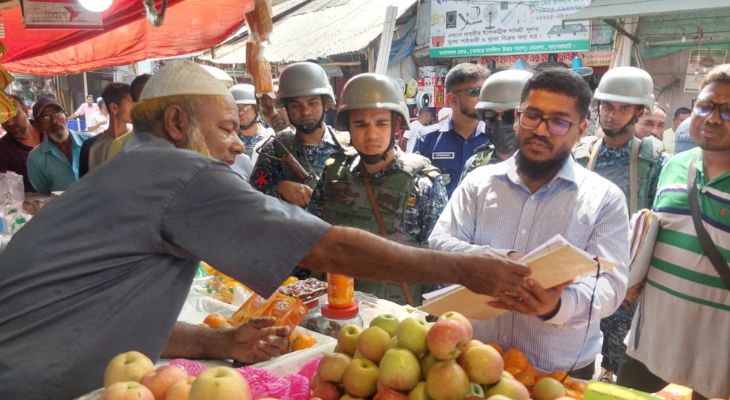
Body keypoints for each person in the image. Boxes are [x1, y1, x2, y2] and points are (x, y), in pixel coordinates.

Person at [0, 61, 529, 399]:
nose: (238, 146)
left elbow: (113, 307)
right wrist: (466, 267)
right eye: (228, 129)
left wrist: (219, 340)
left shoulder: (127, 165)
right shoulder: (177, 173)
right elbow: (326, 245)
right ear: (180, 125)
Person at [429, 68, 629, 379]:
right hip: (476, 361)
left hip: (558, 373)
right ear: (519, 116)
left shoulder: (604, 198)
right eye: (532, 116)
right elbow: (440, 241)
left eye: (559, 121)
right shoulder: (479, 183)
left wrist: (557, 305)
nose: (541, 130)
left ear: (582, 129)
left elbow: (610, 285)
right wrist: (493, 262)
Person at [618, 63, 730, 399]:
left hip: (718, 354)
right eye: (706, 106)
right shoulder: (675, 166)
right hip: (651, 341)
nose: (712, 118)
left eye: (727, 112)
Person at [308, 73, 448, 305]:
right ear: (348, 128)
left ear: (396, 126)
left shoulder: (423, 185)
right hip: (337, 310)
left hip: (398, 324)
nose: (371, 134)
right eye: (360, 124)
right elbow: (313, 241)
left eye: (381, 123)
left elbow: (440, 266)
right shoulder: (333, 174)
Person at [572, 66, 666, 382]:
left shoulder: (654, 162)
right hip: (582, 279)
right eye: (606, 106)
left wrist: (638, 282)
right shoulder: (580, 155)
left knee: (620, 373)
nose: (611, 115)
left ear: (639, 112)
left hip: (629, 288)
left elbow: (659, 227)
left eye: (622, 107)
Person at [250, 62, 351, 207]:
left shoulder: (348, 147)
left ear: (326, 103)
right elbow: (252, 205)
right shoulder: (274, 151)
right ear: (286, 108)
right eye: (295, 105)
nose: (305, 112)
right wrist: (279, 191)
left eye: (312, 103)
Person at [414, 63, 490, 196]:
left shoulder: (494, 137)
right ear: (452, 99)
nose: (482, 97)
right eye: (474, 92)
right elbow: (414, 188)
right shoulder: (427, 139)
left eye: (485, 91)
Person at [461, 69, 533, 180]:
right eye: (490, 115)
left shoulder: (548, 168)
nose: (500, 124)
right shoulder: (475, 166)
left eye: (510, 116)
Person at [26, 97, 91, 193]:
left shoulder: (91, 141)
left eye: (58, 114)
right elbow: (44, 194)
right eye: (45, 118)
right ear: (39, 126)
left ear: (67, 116)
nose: (54, 121)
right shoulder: (36, 158)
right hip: (64, 207)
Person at [78, 83, 133, 177]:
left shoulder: (140, 141)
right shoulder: (90, 147)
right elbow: (84, 185)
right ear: (114, 108)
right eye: (131, 103)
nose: (136, 107)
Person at [0, 95, 43, 191]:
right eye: (4, 117)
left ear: (27, 111)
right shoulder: (3, 150)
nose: (10, 123)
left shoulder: (48, 132)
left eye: (14, 115)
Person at [230, 83, 274, 160]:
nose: (240, 112)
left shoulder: (269, 136)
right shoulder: (229, 140)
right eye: (236, 108)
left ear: (256, 109)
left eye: (245, 107)